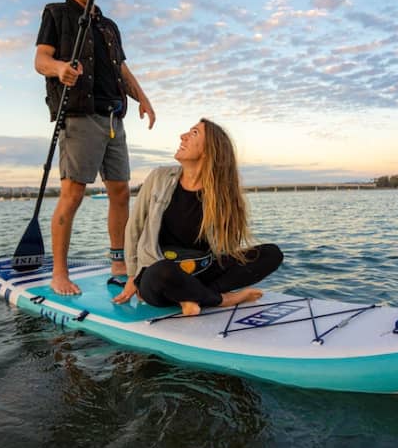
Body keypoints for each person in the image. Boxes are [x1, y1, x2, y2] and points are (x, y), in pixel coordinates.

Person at [35, 0, 155, 295]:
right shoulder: (56, 14)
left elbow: (120, 67)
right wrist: (60, 69)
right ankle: (59, 273)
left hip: (114, 117)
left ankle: (119, 261)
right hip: (79, 116)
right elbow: (41, 59)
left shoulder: (109, 25)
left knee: (120, 191)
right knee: (73, 194)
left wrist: (143, 99)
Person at [113, 119, 283, 315]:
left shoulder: (223, 194)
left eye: (194, 133)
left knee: (272, 254)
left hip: (202, 272)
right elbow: (134, 226)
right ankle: (221, 299)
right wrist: (133, 276)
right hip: (158, 273)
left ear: (209, 150)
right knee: (163, 270)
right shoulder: (159, 177)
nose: (182, 136)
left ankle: (191, 295)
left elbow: (226, 247)